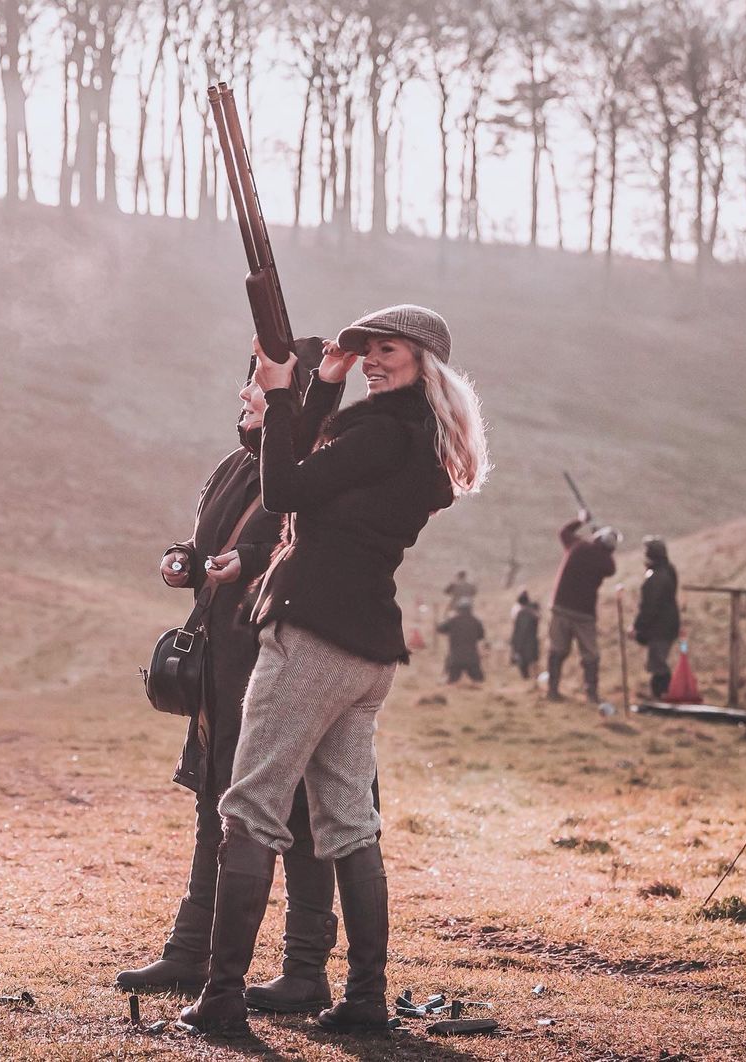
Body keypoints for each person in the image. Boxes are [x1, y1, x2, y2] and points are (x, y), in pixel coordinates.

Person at [178, 305, 490, 1037]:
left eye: (387, 351)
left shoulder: (380, 432)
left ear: (422, 361)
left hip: (313, 637)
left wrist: (285, 390)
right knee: (350, 824)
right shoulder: (409, 438)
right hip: (365, 649)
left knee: (249, 809)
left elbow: (282, 489)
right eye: (369, 350)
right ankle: (365, 1001)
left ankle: (222, 998)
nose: (374, 361)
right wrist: (320, 382)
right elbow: (303, 463)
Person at [117, 340, 344, 1016]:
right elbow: (212, 541)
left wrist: (242, 563)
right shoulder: (232, 467)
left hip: (281, 659)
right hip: (225, 661)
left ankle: (306, 970)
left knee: (300, 813)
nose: (245, 394)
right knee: (216, 800)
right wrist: (183, 560)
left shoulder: (313, 469)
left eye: (258, 385)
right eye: (249, 383)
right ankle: (193, 951)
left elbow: (286, 541)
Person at [546, 509, 620, 703]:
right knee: (590, 655)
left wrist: (580, 521)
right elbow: (611, 568)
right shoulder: (605, 561)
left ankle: (552, 691)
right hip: (584, 613)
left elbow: (563, 532)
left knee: (557, 650)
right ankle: (591, 694)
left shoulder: (577, 546)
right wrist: (602, 546)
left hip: (561, 606)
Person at [633, 536, 680, 699]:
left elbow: (649, 607)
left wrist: (639, 627)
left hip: (660, 627)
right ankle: (662, 695)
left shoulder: (655, 577)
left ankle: (662, 696)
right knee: (658, 661)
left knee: (658, 664)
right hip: (668, 624)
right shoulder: (668, 570)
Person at [437, 601, 486, 684]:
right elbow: (481, 636)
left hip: (456, 658)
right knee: (479, 680)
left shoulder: (452, 620)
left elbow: (440, 629)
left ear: (458, 609)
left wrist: (447, 618)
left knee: (452, 681)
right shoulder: (476, 621)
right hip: (472, 658)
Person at [509, 589, 540, 679]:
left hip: (523, 642)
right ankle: (533, 679)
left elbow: (518, 630)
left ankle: (528, 679)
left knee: (524, 663)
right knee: (533, 661)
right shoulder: (533, 613)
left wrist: (515, 644)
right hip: (532, 641)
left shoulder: (521, 613)